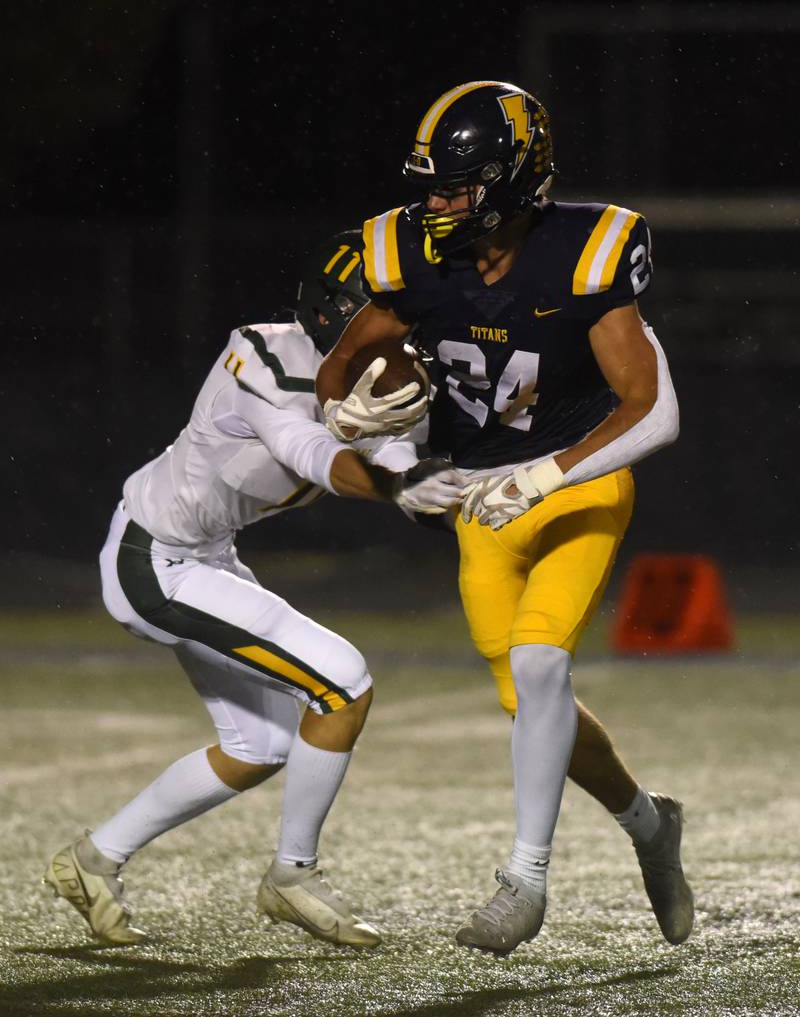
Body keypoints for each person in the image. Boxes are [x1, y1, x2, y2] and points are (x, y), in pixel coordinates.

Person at [316, 80, 693, 956]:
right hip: (481, 503)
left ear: (516, 176)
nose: (437, 204)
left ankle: (524, 879)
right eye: (432, 186)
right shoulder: (412, 255)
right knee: (533, 703)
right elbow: (340, 369)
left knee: (538, 662)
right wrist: (352, 416)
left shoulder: (584, 251)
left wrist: (548, 474)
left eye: (457, 186)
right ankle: (648, 825)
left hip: (575, 484)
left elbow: (654, 409)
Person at [43, 230, 464, 949]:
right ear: (339, 312)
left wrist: (427, 487)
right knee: (343, 683)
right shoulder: (264, 353)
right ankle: (292, 876)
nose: (406, 328)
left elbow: (392, 450)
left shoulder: (380, 374)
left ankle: (93, 860)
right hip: (153, 557)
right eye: (391, 311)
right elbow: (311, 451)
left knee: (261, 744)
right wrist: (396, 485)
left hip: (205, 557)